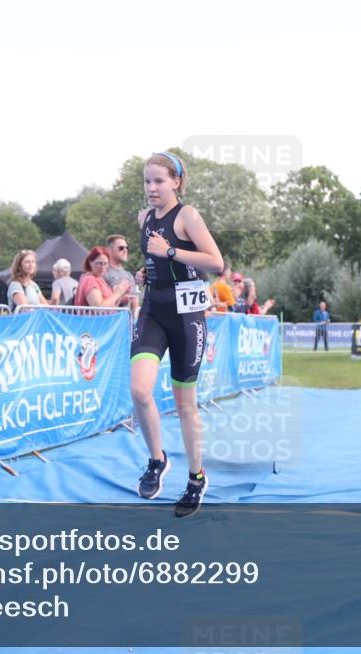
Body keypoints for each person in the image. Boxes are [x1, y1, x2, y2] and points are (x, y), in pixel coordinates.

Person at [131, 151, 224, 518]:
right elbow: (155, 260)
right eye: (147, 181)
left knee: (185, 404)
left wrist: (170, 250)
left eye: (159, 181)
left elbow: (215, 262)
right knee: (139, 390)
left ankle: (196, 478)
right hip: (154, 309)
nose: (152, 188)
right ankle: (157, 459)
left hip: (188, 315)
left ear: (176, 182)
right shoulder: (143, 218)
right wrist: (145, 271)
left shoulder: (188, 216)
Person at [105, 234, 139, 314]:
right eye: (121, 248)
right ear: (109, 250)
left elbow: (134, 304)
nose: (125, 250)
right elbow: (100, 303)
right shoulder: (104, 273)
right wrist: (122, 298)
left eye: (127, 248)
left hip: (126, 323)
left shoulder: (129, 275)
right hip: (110, 321)